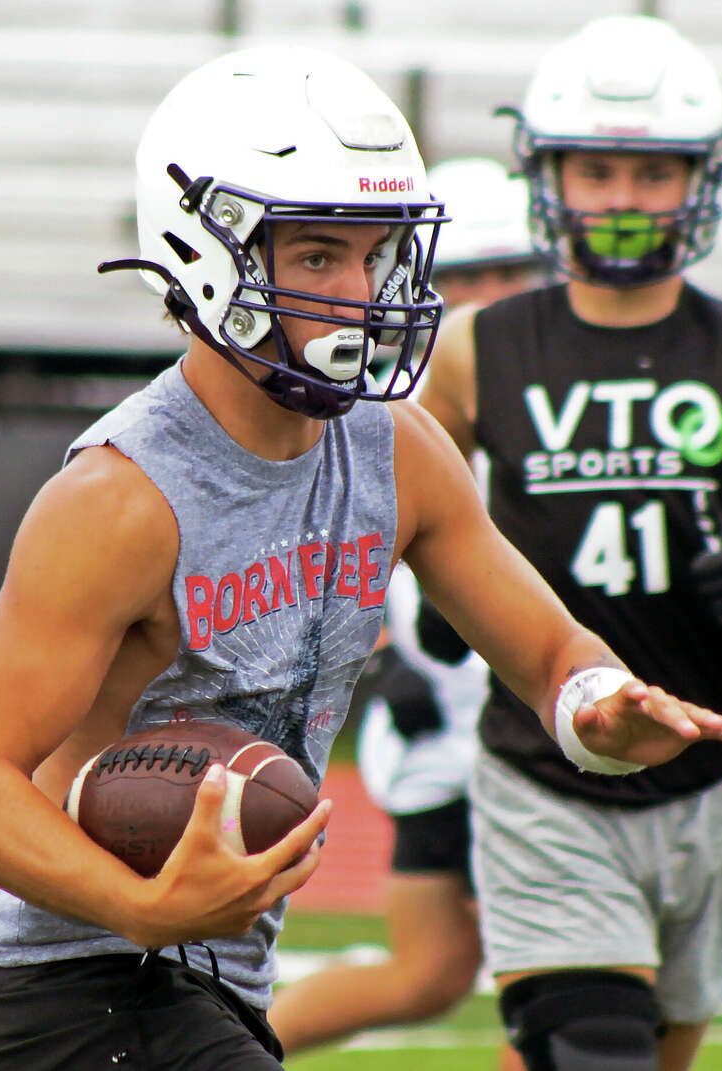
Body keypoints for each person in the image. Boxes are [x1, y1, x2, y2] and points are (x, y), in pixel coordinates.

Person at [0, 45, 722, 1071]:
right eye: (317, 257)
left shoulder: (397, 449)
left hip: (221, 977)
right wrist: (140, 906)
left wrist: (597, 705)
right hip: (77, 988)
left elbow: (544, 651)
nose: (361, 293)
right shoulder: (119, 500)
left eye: (379, 254)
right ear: (204, 254)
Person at [417, 15, 722, 1071]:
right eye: (597, 171)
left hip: (715, 772)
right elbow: (391, 499)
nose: (627, 199)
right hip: (544, 765)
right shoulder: (473, 350)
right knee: (590, 1047)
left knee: (646, 1052)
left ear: (704, 181)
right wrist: (429, 600)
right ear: (549, 177)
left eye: (654, 171)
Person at [267, 157, 540, 1064]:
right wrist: (380, 658)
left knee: (497, 971)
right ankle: (213, 1052)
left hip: (530, 709)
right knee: (459, 970)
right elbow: (306, 552)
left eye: (511, 273)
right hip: (442, 719)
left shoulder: (562, 391)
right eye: (467, 276)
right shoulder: (368, 403)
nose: (490, 297)